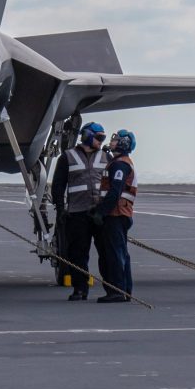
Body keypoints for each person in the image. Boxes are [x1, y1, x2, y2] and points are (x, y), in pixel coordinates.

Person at [49, 121, 109, 301]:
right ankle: (80, 288)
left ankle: (112, 288)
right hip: (77, 213)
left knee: (106, 252)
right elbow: (58, 186)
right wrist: (60, 210)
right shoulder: (67, 157)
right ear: (87, 136)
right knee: (78, 253)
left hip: (100, 214)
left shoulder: (106, 157)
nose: (101, 141)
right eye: (99, 138)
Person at [95, 129, 137, 303]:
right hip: (119, 213)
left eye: (116, 140)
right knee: (120, 252)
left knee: (114, 253)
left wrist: (101, 212)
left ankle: (117, 290)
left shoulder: (119, 165)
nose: (112, 142)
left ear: (124, 143)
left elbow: (114, 192)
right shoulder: (119, 162)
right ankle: (124, 290)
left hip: (116, 214)